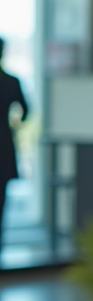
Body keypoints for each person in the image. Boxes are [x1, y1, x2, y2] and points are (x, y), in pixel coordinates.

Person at [0, 37, 30, 241]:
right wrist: (14, 124)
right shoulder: (11, 81)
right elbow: (27, 111)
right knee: (1, 200)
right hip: (4, 144)